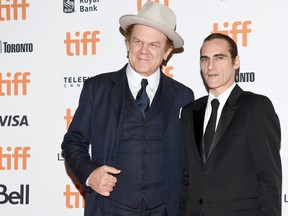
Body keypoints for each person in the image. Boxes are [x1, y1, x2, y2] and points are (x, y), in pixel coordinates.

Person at [61, 2, 194, 216]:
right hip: (109, 208)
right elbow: (72, 141)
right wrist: (90, 174)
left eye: (153, 44)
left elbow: (191, 160)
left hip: (165, 209)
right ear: (128, 43)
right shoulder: (97, 88)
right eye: (138, 41)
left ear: (167, 51)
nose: (143, 50)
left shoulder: (183, 96)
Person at [180, 33, 281, 216]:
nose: (210, 66)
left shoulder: (255, 107)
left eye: (219, 58)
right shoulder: (189, 112)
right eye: (205, 59)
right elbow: (186, 178)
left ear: (236, 62)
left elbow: (269, 180)